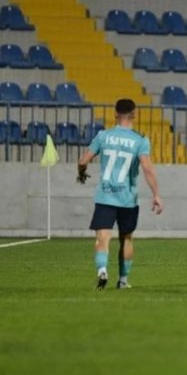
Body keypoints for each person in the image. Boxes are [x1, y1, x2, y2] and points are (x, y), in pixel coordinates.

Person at [77, 99, 163, 290]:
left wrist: (81, 173)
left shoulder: (103, 136)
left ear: (115, 114)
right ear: (135, 114)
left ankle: (102, 270)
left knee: (102, 237)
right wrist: (156, 194)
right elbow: (147, 168)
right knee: (127, 239)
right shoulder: (140, 140)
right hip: (127, 199)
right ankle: (123, 281)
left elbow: (84, 160)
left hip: (105, 197)